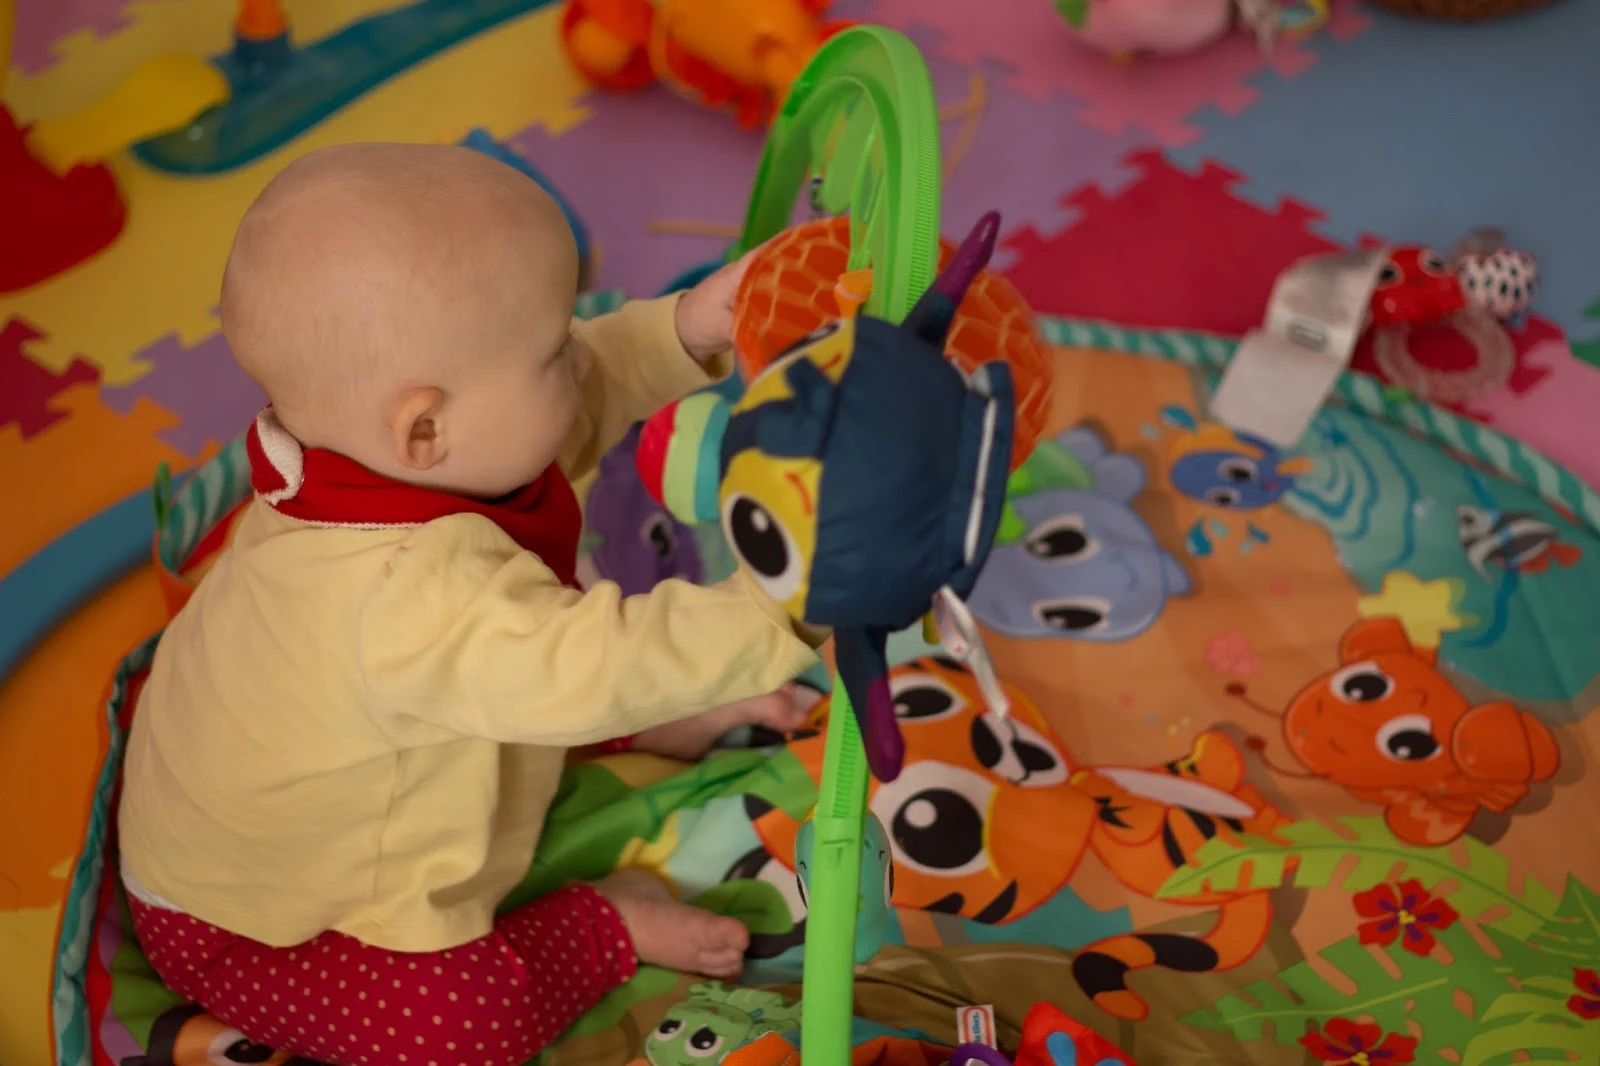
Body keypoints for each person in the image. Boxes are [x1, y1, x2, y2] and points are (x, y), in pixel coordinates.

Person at [118, 142, 825, 1066]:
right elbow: (594, 666)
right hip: (250, 923)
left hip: (373, 751)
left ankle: (685, 710)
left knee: (531, 670)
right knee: (462, 1030)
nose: (581, 353)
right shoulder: (396, 596)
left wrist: (685, 329)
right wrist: (783, 608)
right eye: (555, 349)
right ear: (423, 429)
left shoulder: (369, 459)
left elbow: (568, 404)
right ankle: (608, 924)